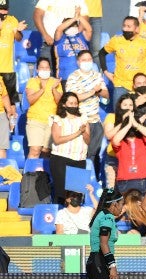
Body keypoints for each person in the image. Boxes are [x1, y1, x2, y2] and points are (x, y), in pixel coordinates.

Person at [99, 16, 146, 106]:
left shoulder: (144, 42)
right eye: (124, 26)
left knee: (139, 114)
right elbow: (101, 53)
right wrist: (105, 71)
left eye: (129, 27)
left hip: (139, 86)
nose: (125, 29)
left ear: (136, 29)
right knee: (120, 115)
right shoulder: (116, 40)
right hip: (120, 84)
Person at [66, 50, 109, 180]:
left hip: (95, 121)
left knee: (93, 154)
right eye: (84, 60)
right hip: (80, 121)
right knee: (79, 153)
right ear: (78, 62)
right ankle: (77, 186)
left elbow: (106, 94)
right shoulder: (73, 77)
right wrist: (92, 91)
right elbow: (73, 98)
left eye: (89, 59)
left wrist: (98, 91)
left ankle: (92, 182)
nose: (87, 62)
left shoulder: (97, 76)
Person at [110, 94, 146, 195]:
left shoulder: (141, 137)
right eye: (125, 104)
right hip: (126, 180)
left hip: (145, 178)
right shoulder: (120, 138)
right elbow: (115, 141)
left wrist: (135, 124)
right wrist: (127, 124)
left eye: (131, 105)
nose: (128, 107)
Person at [49, 92, 90, 205]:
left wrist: (83, 132)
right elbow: (57, 139)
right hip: (61, 159)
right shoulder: (58, 119)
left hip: (79, 159)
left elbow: (88, 140)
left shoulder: (83, 119)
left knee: (76, 196)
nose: (73, 105)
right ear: (64, 104)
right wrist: (78, 133)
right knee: (63, 194)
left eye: (75, 103)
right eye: (70, 103)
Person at [25, 57, 63, 159]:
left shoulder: (56, 82)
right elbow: (31, 100)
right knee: (35, 150)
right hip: (35, 120)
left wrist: (54, 89)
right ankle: (30, 174)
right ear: (37, 70)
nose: (44, 70)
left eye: (47, 68)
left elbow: (60, 102)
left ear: (50, 69)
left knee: (47, 151)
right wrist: (42, 89)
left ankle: (44, 174)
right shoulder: (32, 81)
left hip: (51, 121)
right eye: (42, 67)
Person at [34, 0, 89, 66]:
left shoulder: (79, 1)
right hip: (50, 43)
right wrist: (45, 35)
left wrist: (77, 36)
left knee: (67, 72)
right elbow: (37, 16)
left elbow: (85, 17)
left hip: (69, 46)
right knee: (47, 72)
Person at [53, 8, 92, 86]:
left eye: (74, 25)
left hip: (83, 76)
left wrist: (79, 17)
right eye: (69, 26)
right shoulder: (60, 38)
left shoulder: (82, 36)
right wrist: (74, 19)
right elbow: (58, 29)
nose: (71, 28)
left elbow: (89, 29)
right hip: (66, 76)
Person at [0, 0, 27, 109]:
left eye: (5, 9)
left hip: (8, 69)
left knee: (11, 102)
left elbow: (19, 38)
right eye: (0, 9)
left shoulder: (12, 20)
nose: (3, 11)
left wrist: (16, 30)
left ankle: (12, 124)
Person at [0, 76, 16, 159]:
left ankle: (2, 171)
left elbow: (4, 96)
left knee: (1, 148)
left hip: (1, 114)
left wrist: (9, 111)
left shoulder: (0, 79)